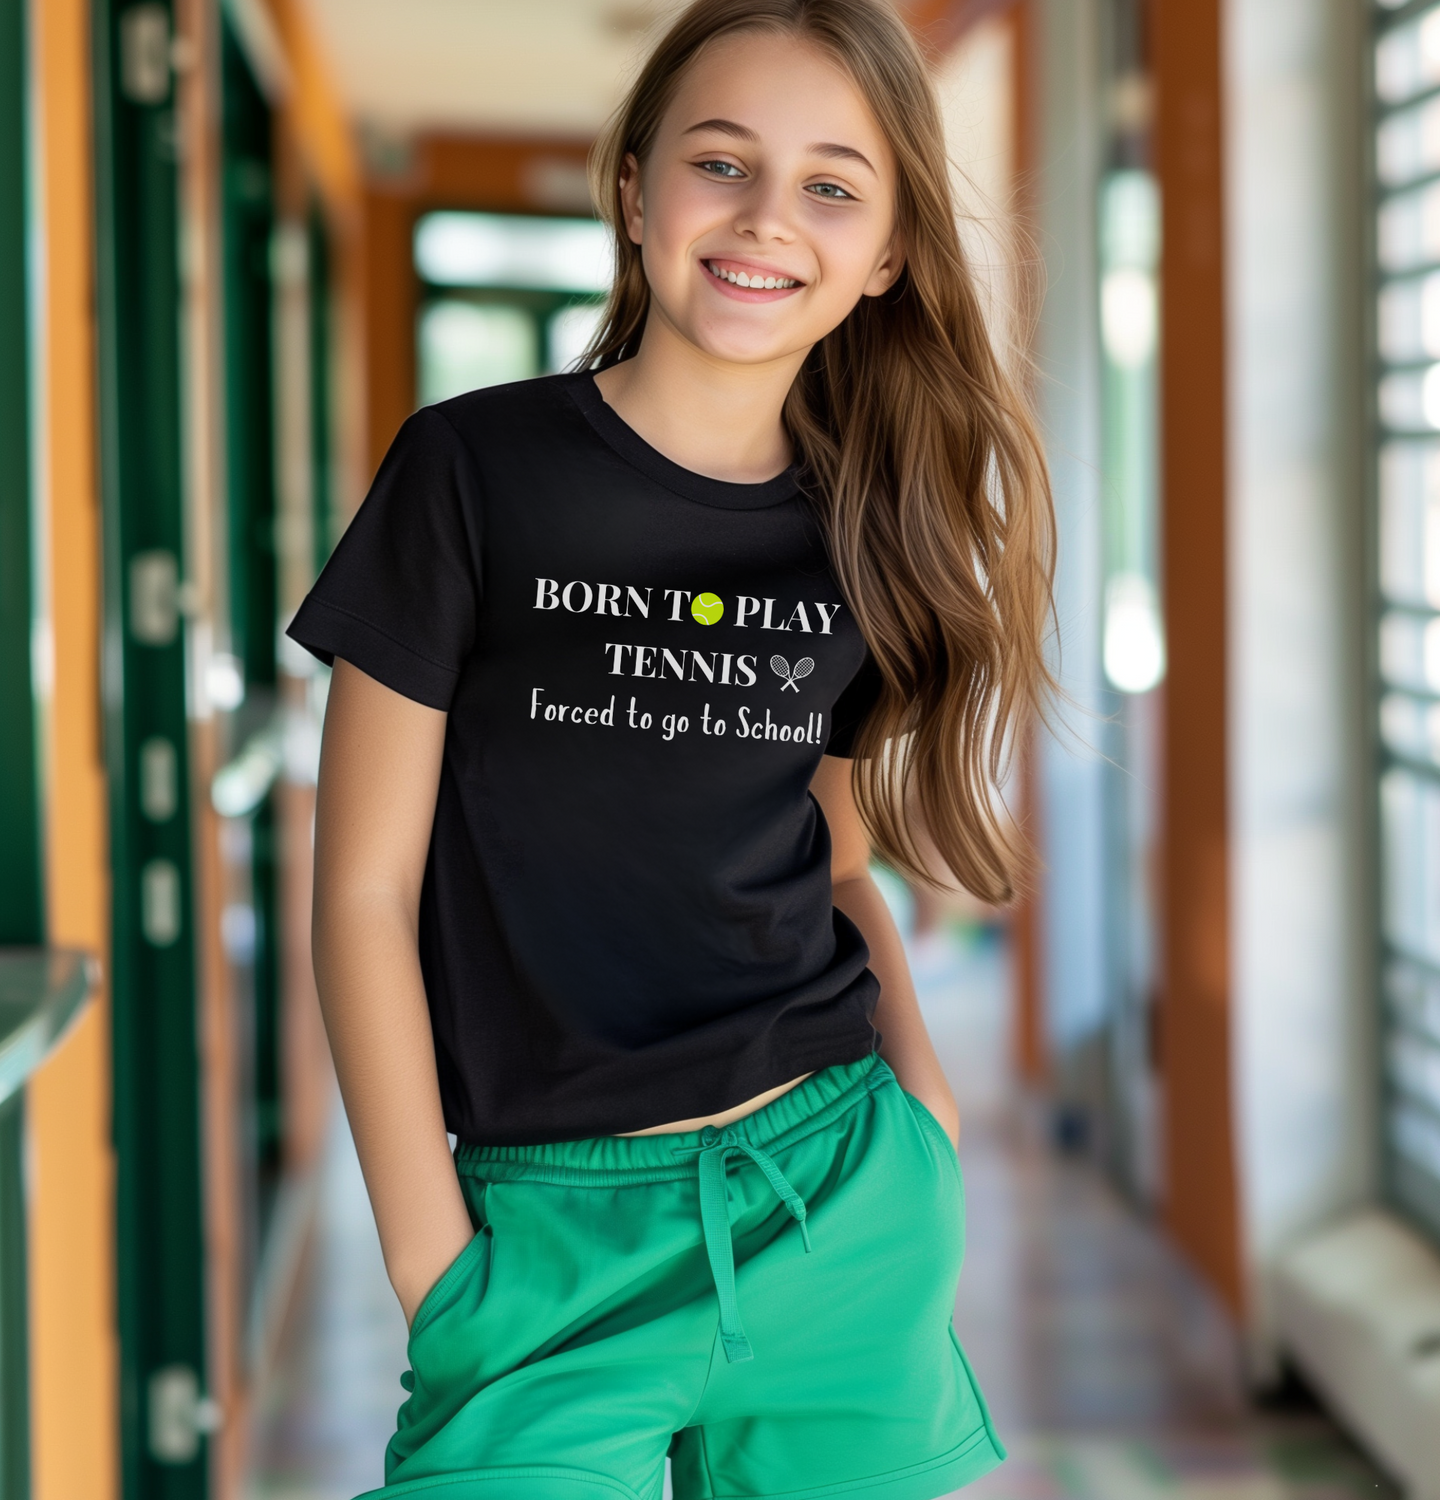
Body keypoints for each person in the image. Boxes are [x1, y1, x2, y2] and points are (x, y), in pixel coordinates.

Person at [288, 1, 1053, 1495]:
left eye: (834, 185)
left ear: (888, 252)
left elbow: (830, 854)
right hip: (541, 1240)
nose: (769, 217)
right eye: (723, 162)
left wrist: (929, 1107)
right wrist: (428, 1257)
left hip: (837, 1200)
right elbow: (362, 893)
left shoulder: (865, 529)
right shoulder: (471, 471)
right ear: (634, 189)